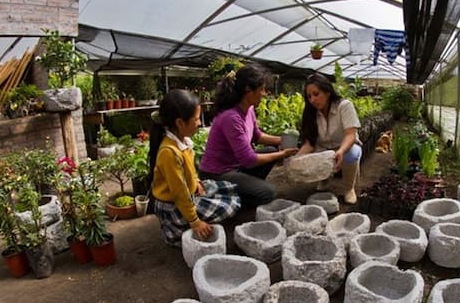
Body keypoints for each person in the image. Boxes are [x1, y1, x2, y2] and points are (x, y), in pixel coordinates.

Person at [148, 89, 241, 246]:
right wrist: (195, 221)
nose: (200, 123)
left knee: (227, 188)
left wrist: (196, 182)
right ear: (179, 123)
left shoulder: (181, 141)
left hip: (187, 194)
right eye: (196, 119)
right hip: (173, 206)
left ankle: (187, 222)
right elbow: (179, 193)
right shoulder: (169, 152)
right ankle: (179, 230)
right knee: (231, 205)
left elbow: (188, 173)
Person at [199, 64, 298, 207]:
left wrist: (285, 140)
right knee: (268, 193)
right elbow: (249, 160)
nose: (265, 94)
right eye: (262, 89)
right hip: (217, 174)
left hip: (235, 166)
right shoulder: (231, 117)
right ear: (248, 90)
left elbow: (257, 136)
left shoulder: (249, 109)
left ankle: (245, 189)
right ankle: (227, 200)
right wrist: (283, 154)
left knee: (270, 151)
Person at [297, 73, 362, 204]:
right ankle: (325, 178)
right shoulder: (311, 113)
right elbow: (309, 143)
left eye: (316, 94)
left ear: (327, 91)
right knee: (310, 156)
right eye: (309, 96)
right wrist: (295, 159)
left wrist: (341, 151)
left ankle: (349, 188)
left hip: (345, 146)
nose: (313, 100)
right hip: (324, 148)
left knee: (352, 154)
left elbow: (351, 134)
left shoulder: (344, 106)